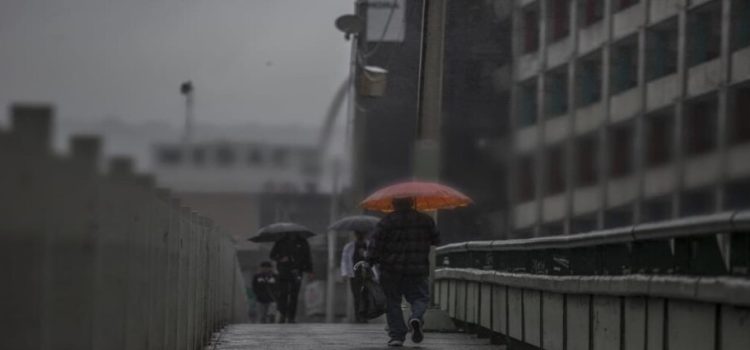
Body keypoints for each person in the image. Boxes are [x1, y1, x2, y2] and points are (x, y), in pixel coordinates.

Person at [367, 197, 440, 347]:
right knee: (420, 298)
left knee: (393, 302)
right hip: (417, 268)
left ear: (393, 204)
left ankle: (397, 336)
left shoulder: (386, 221)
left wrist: (369, 262)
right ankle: (416, 318)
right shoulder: (425, 220)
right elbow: (436, 240)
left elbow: (375, 245)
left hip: (390, 269)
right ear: (412, 203)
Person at [270, 233, 313, 323]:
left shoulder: (302, 242)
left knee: (294, 295)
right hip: (283, 271)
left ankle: (291, 317)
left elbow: (307, 256)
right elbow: (272, 255)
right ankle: (282, 314)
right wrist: (281, 259)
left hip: (297, 271)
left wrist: (310, 270)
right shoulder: (280, 242)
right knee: (283, 294)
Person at [340, 230, 370, 323]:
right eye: (358, 234)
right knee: (357, 296)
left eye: (362, 234)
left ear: (365, 235)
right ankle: (359, 316)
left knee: (366, 296)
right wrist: (345, 273)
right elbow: (344, 260)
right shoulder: (349, 247)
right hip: (354, 275)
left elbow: (374, 257)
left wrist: (364, 254)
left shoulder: (369, 245)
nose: (360, 236)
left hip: (367, 274)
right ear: (355, 235)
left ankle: (365, 316)